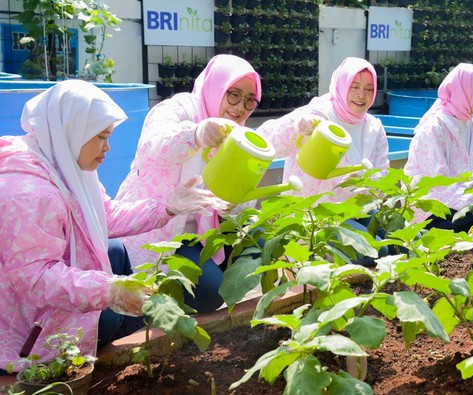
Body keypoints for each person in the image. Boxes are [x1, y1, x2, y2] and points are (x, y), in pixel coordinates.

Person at [0, 80, 217, 372]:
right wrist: (108, 290)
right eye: (101, 137)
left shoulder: (64, 160)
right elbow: (35, 278)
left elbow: (107, 215)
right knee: (112, 309)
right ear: (73, 130)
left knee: (114, 256)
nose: (107, 148)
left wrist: (166, 206)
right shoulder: (29, 193)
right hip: (24, 329)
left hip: (45, 298)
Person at [116, 55, 262, 313]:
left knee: (259, 245)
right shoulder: (180, 108)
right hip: (160, 228)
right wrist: (195, 135)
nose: (241, 107)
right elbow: (153, 144)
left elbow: (244, 190)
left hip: (202, 233)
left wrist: (236, 203)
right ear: (217, 87)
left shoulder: (237, 134)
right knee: (209, 290)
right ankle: (152, 317)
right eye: (234, 95)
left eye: (250, 100)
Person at [255, 57, 390, 265]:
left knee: (402, 240)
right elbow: (267, 140)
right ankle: (317, 254)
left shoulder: (373, 126)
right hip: (317, 213)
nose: (361, 95)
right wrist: (297, 127)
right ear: (342, 85)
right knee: (375, 253)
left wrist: (367, 183)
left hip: (355, 208)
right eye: (354, 87)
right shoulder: (319, 115)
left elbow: (382, 170)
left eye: (369, 89)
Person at [404, 63, 473, 232]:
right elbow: (439, 184)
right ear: (468, 91)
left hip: (465, 204)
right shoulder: (434, 128)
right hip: (432, 210)